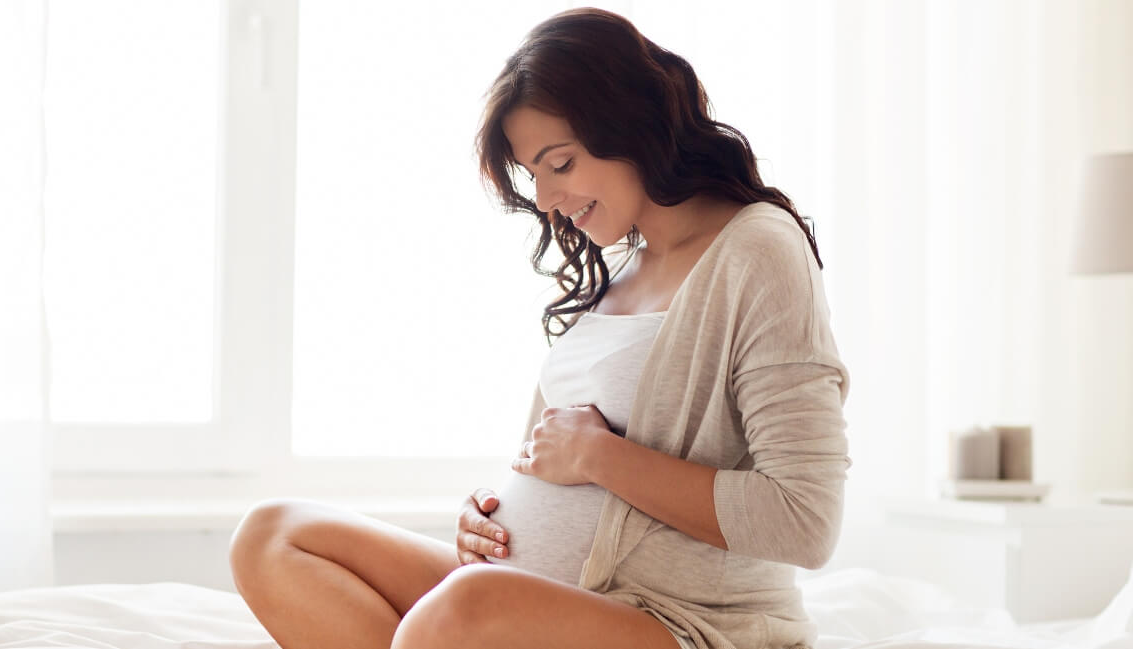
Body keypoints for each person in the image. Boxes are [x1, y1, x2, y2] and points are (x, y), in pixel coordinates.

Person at [227, 7, 851, 649]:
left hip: (679, 620)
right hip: (520, 599)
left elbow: (805, 520)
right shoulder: (617, 268)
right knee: (273, 533)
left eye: (561, 163)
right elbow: (548, 460)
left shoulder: (756, 251)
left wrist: (603, 458)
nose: (547, 200)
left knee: (463, 609)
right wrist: (490, 514)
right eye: (534, 175)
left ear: (630, 123)